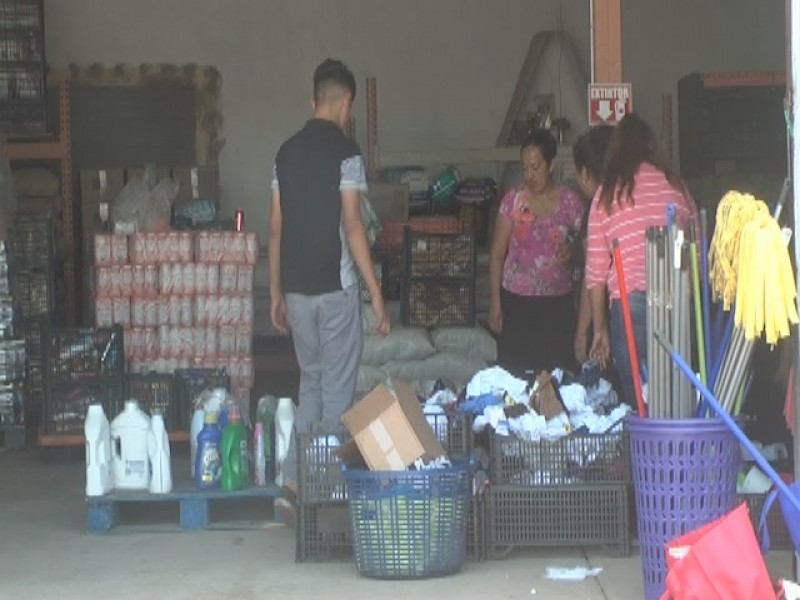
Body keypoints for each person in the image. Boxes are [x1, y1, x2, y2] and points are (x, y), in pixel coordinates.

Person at [268, 58, 390, 526]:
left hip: (297, 293)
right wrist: (374, 292)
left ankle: (292, 484)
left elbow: (275, 227)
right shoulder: (347, 152)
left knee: (311, 387)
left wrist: (275, 291)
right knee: (337, 397)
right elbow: (354, 225)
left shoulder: (284, 153)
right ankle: (329, 502)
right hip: (336, 292)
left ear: (313, 99)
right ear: (346, 102)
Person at [584, 113, 697, 408]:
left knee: (640, 399)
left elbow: (595, 273)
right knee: (676, 394)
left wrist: (599, 331)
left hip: (630, 300)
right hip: (676, 298)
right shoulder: (677, 186)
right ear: (650, 147)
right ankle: (674, 449)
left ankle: (649, 447)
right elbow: (695, 249)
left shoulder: (605, 195)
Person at [488, 128, 584, 377]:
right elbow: (497, 253)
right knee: (517, 375)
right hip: (517, 304)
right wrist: (496, 303)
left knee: (557, 375)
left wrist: (572, 252)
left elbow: (588, 250)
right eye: (525, 168)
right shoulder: (513, 201)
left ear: (551, 165)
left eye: (536, 167)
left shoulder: (571, 203)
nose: (530, 175)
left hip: (557, 305)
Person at [571, 124, 614, 364]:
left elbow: (593, 274)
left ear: (586, 173)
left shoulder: (596, 209)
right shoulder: (626, 199)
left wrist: (582, 331)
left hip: (606, 322)